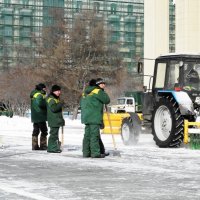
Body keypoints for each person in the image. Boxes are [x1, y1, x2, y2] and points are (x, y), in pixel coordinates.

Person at [81, 78, 110, 158]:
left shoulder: (85, 92)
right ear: (98, 85)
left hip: (86, 117)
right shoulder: (98, 91)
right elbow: (107, 100)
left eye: (104, 84)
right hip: (94, 117)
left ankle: (86, 153)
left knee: (87, 136)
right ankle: (95, 153)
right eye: (102, 84)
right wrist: (103, 92)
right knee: (94, 136)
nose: (104, 85)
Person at [46, 85, 65, 153]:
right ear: (53, 91)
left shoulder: (56, 99)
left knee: (55, 134)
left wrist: (61, 120)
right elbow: (54, 109)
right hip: (53, 120)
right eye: (57, 91)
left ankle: (54, 147)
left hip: (56, 120)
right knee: (53, 134)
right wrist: (60, 104)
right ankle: (51, 148)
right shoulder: (51, 99)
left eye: (59, 91)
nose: (59, 92)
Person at [30, 83, 48, 150]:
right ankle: (43, 146)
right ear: (41, 88)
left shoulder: (35, 94)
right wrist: (46, 101)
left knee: (36, 130)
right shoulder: (39, 95)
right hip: (40, 115)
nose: (45, 89)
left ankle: (34, 146)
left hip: (35, 115)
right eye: (44, 88)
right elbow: (40, 103)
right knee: (44, 131)